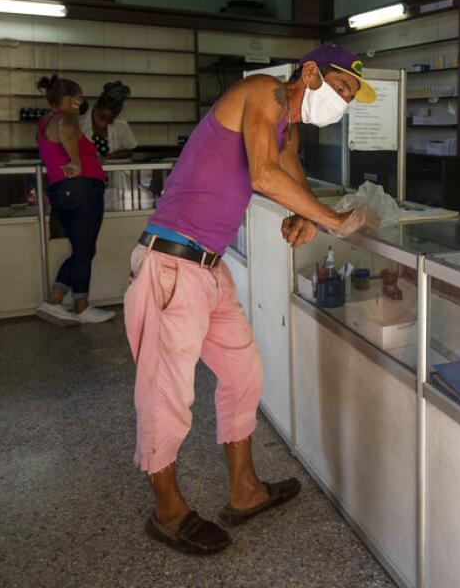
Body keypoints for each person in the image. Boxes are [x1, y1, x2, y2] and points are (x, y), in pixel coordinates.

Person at [124, 44, 376, 555]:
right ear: (310, 73)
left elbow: (290, 176)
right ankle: (168, 512)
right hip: (172, 264)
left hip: (209, 271)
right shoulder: (262, 91)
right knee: (167, 391)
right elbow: (263, 175)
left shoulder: (288, 125)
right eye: (342, 89)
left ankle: (246, 491)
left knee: (243, 374)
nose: (343, 103)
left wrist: (307, 214)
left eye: (350, 97)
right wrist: (334, 222)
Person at [34, 74, 115, 326]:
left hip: (63, 190)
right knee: (84, 250)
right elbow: (67, 131)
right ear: (68, 100)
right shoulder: (65, 117)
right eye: (78, 99)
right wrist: (78, 162)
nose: (81, 104)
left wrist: (86, 159)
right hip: (82, 189)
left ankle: (56, 298)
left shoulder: (44, 120)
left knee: (82, 249)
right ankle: (79, 305)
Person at [81, 80, 139, 160]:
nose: (103, 123)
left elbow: (129, 150)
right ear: (95, 107)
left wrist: (111, 156)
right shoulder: (80, 122)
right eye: (101, 117)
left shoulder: (120, 123)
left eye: (109, 121)